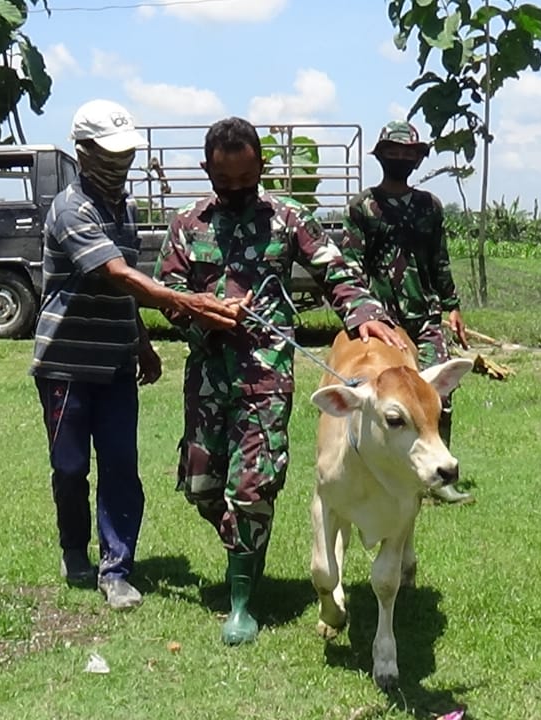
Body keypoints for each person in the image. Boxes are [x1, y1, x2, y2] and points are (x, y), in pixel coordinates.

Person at [155, 116, 404, 644]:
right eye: (227, 183)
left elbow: (336, 272)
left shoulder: (289, 218)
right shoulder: (186, 225)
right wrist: (201, 311)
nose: (239, 192)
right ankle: (242, 543)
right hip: (207, 375)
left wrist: (361, 313)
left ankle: (242, 600)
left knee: (252, 483)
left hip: (265, 373)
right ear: (208, 172)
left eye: (248, 181)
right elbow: (167, 292)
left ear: (261, 168)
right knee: (202, 486)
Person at [31, 100, 243, 611]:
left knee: (122, 465)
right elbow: (119, 275)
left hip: (115, 362)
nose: (119, 166)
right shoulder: (70, 208)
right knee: (70, 466)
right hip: (66, 363)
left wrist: (141, 341)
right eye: (109, 155)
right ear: (82, 153)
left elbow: (126, 291)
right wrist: (189, 302)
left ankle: (117, 569)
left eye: (126, 155)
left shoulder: (122, 209)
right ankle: (72, 548)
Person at [339, 120, 476, 505]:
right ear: (380, 156)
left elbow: (440, 259)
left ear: (418, 158)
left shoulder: (428, 207)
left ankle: (439, 477)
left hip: (426, 314)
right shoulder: (363, 207)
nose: (400, 158)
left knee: (438, 395)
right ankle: (381, 468)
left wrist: (452, 305)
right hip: (382, 323)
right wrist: (361, 314)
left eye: (407, 153)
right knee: (386, 401)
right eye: (392, 152)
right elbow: (349, 264)